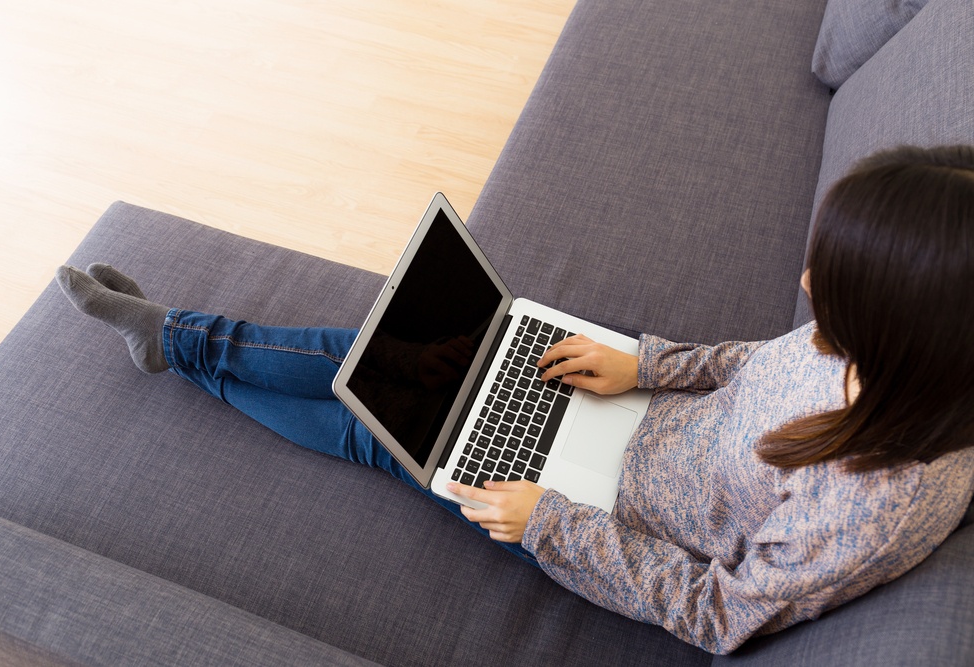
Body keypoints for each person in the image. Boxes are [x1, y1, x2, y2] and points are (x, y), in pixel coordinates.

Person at [56, 144, 974, 654]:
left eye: (837, 286)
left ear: (896, 329)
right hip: (635, 415)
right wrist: (644, 365)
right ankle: (180, 341)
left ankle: (178, 345)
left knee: (388, 430)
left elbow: (720, 611)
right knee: (418, 358)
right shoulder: (900, 356)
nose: (808, 282)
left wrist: (550, 521)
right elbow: (750, 364)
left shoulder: (875, 507)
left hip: (600, 512)